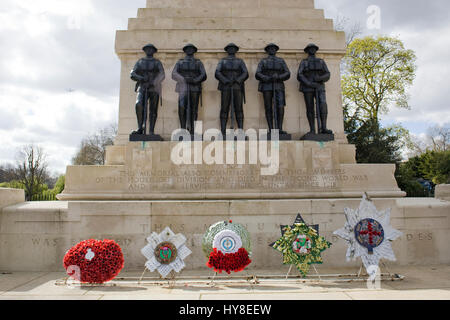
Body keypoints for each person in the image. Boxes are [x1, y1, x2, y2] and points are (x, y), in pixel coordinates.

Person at [297, 43, 333, 135]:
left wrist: (320, 79)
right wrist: (308, 83)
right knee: (310, 107)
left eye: (313, 48)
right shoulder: (304, 62)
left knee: (323, 104)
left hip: (319, 86)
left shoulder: (321, 61)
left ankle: (324, 127)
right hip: (307, 87)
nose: (312, 50)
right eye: (310, 48)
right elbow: (300, 74)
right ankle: (312, 129)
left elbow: (327, 74)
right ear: (307, 50)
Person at [130, 43, 165, 135]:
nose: (149, 51)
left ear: (154, 51)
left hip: (154, 88)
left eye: (151, 49)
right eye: (147, 49)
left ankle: (151, 130)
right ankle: (140, 128)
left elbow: (162, 74)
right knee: (139, 104)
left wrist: (154, 82)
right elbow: (132, 74)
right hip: (142, 86)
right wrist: (141, 78)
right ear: (145, 51)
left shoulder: (157, 62)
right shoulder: (140, 62)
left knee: (153, 110)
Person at [255, 43, 291, 134]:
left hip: (278, 85)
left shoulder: (281, 61)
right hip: (267, 86)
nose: (272, 50)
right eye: (270, 48)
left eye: (273, 48)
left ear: (276, 50)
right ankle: (271, 129)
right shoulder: (263, 61)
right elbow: (258, 73)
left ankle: (280, 128)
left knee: (280, 107)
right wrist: (266, 78)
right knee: (268, 107)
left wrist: (279, 76)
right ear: (267, 50)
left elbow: (287, 73)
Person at [172, 44, 207, 134]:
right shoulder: (180, 62)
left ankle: (193, 130)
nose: (189, 50)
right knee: (182, 107)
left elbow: (203, 74)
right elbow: (174, 74)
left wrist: (195, 80)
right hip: (183, 87)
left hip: (195, 87)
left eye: (191, 49)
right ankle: (183, 129)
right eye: (188, 49)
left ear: (194, 51)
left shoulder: (198, 62)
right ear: (185, 51)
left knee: (194, 109)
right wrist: (183, 79)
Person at [215, 43, 249, 136]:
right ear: (227, 50)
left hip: (237, 87)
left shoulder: (240, 61)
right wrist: (225, 80)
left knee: (239, 108)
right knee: (224, 108)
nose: (231, 50)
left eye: (233, 48)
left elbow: (245, 73)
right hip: (226, 87)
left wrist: (237, 80)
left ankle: (241, 131)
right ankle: (222, 131)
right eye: (229, 48)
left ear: (236, 50)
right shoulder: (222, 61)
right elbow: (217, 72)